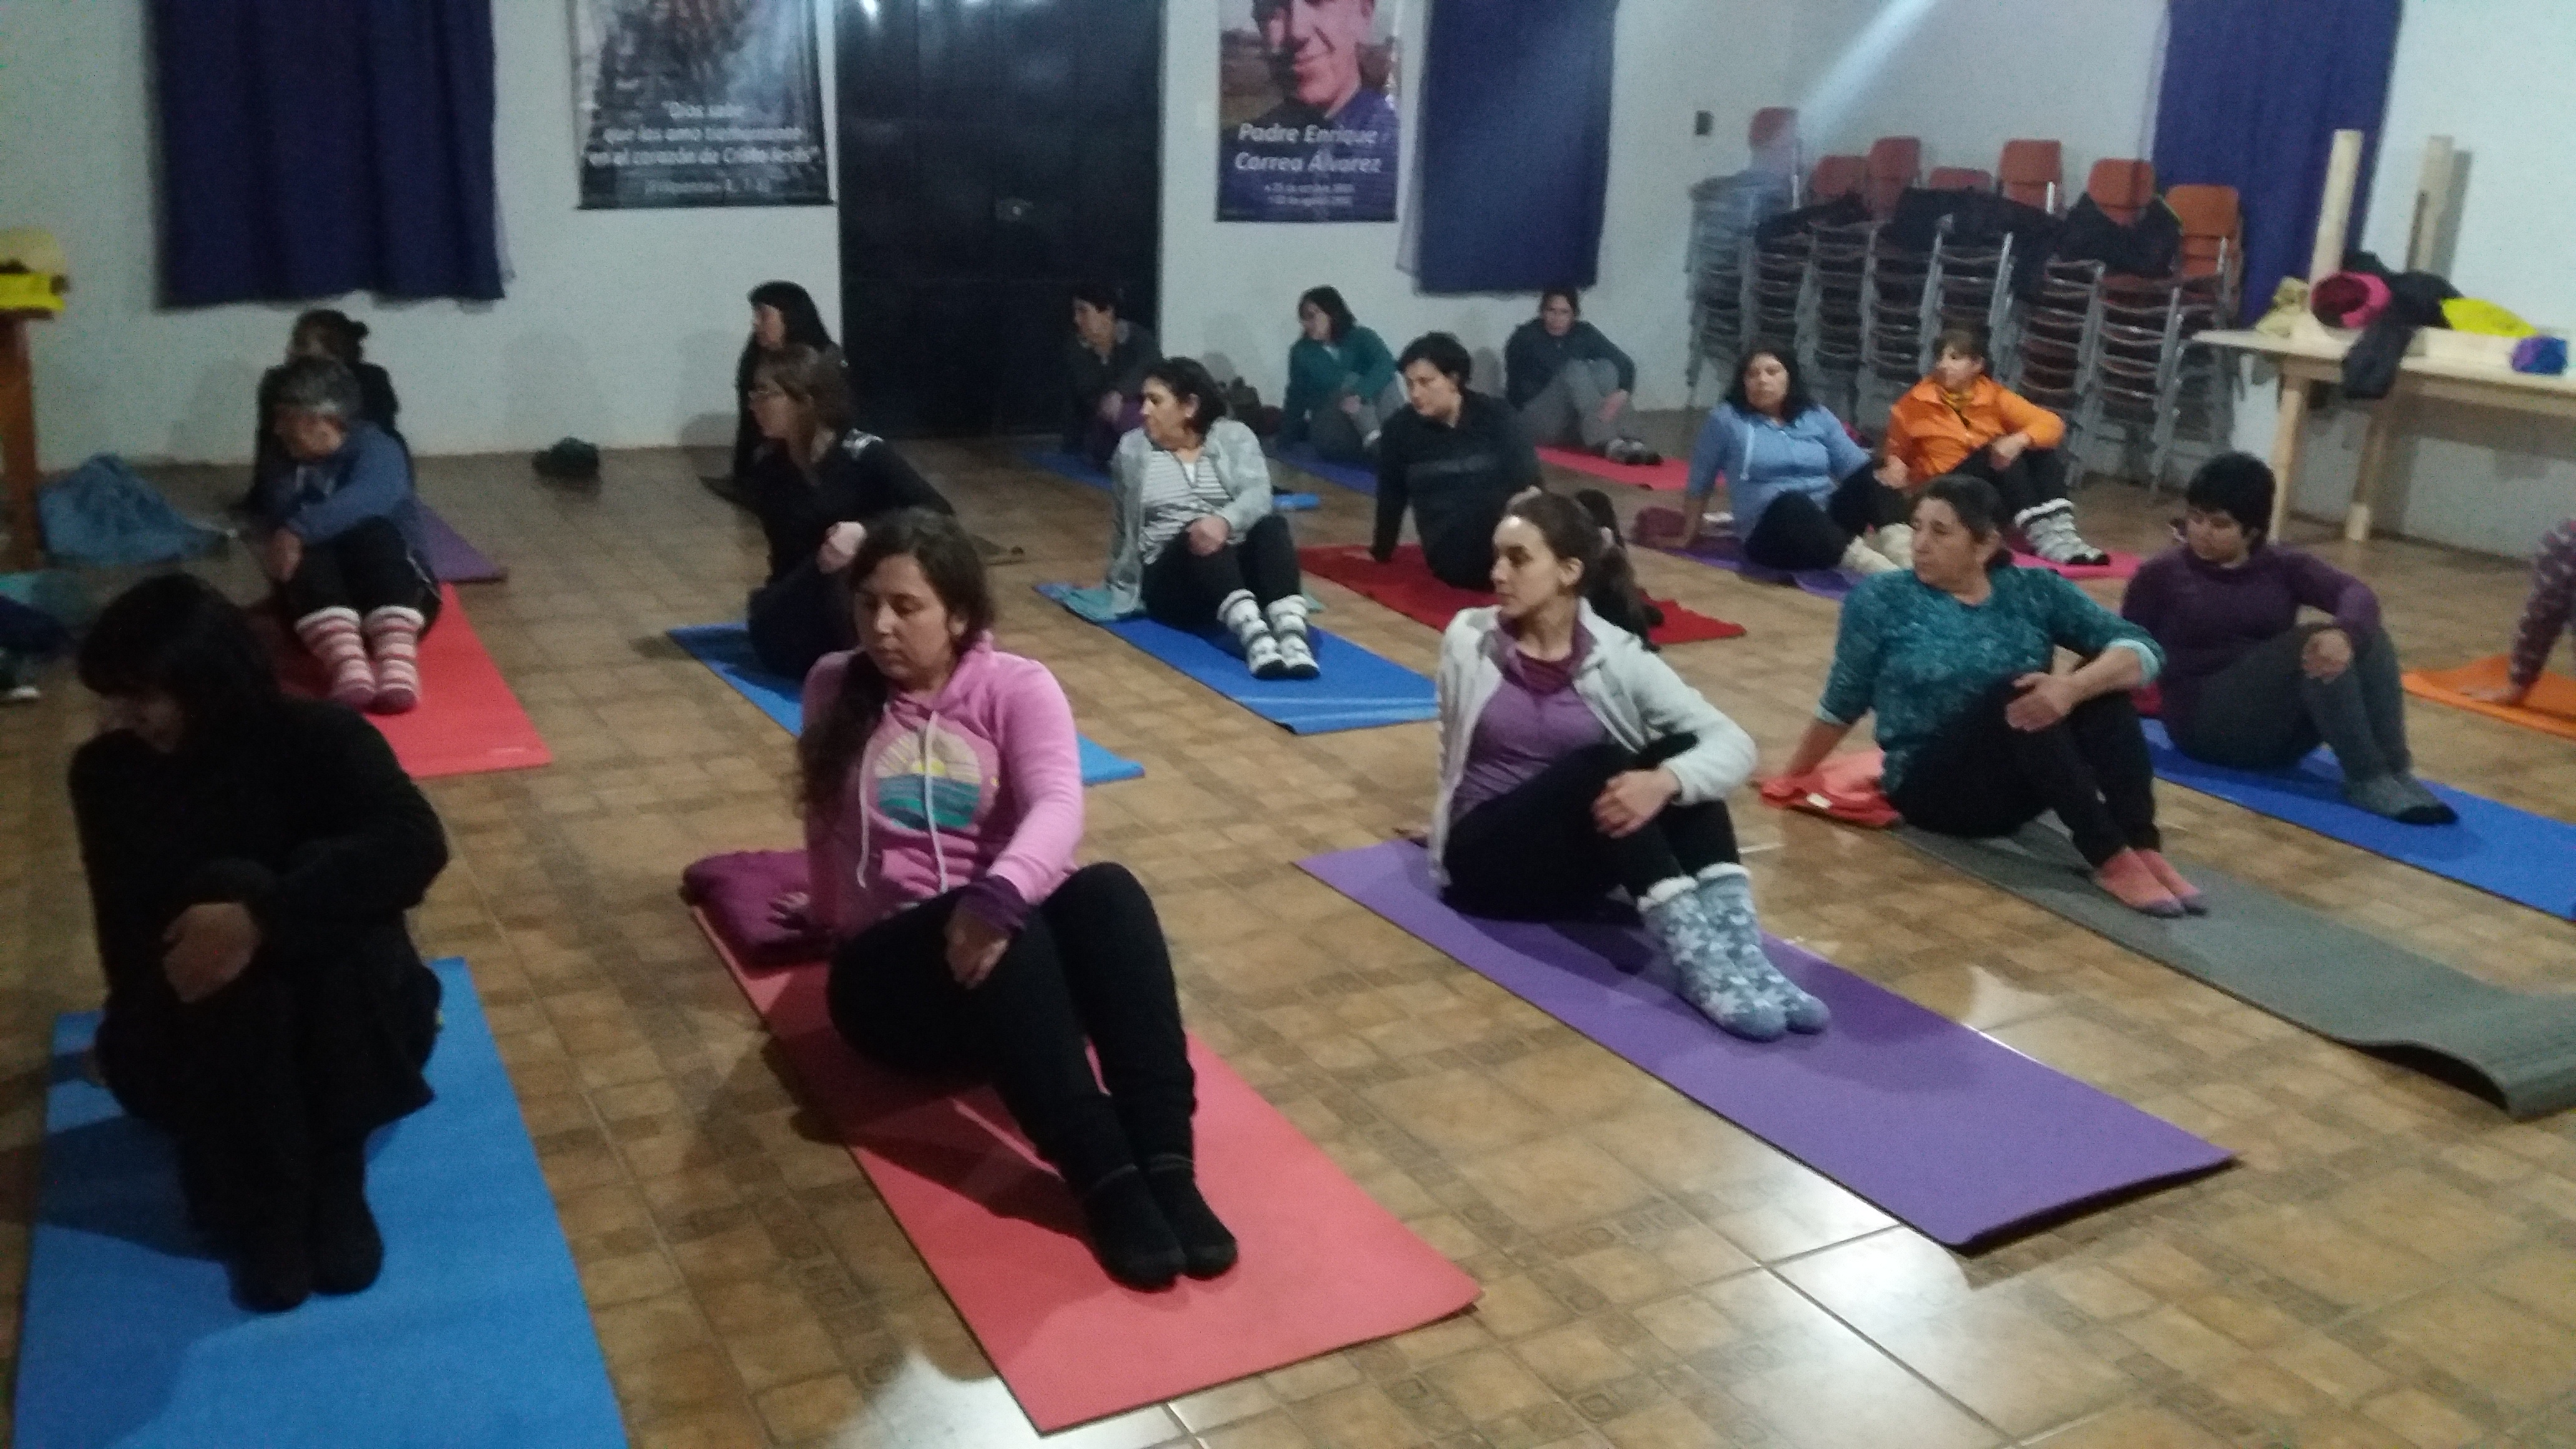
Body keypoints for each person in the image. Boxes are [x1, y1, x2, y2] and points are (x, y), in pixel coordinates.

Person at [786, 510, 1233, 1290]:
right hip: (896, 988)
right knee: (1006, 932)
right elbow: (822, 816)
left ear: (959, 614)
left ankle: (1168, 1164)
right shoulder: (835, 684)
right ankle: (1107, 1180)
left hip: (1010, 979)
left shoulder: (1016, 688)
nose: (881, 626)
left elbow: (1059, 804)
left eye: (906, 607)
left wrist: (994, 896)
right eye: (868, 604)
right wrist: (824, 912)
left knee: (1108, 892)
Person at [69, 574, 447, 1313]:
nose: (124, 717)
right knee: (226, 890)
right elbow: (124, 924)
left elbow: (414, 846)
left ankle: (330, 1172)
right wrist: (136, 1026)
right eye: (115, 696)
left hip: (351, 1024)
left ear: (205, 679)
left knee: (279, 889)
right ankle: (268, 1197)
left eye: (143, 695)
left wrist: (263, 918)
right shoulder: (109, 773)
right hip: (211, 1029)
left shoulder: (320, 737)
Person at [1435, 492, 1824, 1042]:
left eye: (1518, 559)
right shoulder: (1468, 638)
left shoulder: (1617, 656)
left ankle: (1742, 953)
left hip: (1570, 870)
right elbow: (1450, 740)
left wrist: (1666, 781)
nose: (1498, 573)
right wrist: (1439, 817)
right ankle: (1697, 965)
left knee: (1680, 753)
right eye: (1497, 557)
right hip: (1487, 863)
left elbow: (1733, 743)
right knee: (1601, 764)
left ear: (1569, 571)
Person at [1778, 476, 2198, 915]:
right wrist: (1793, 776)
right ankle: (2110, 858)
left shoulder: (2034, 590)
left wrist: (2073, 688)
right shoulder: (1880, 599)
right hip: (1931, 789)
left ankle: (2142, 844)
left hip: (2023, 784)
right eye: (1916, 527)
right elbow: (1844, 699)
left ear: (1985, 544)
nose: (1920, 544)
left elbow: (2143, 649)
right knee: (2013, 693)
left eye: (1940, 532)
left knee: (2102, 686)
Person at [2122, 454, 2456, 824]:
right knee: (2314, 643)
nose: (2202, 532)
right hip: (2204, 726)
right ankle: (2367, 777)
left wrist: (2346, 633)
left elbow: (2356, 594)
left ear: (2252, 530)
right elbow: (2121, 645)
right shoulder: (2162, 574)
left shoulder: (2283, 565)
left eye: (2220, 524)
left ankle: (2395, 770)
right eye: (2196, 518)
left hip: (2273, 731)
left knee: (2367, 635)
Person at [1375, 332, 1663, 642]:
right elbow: (1391, 496)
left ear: (1454, 379)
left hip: (1512, 528)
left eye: (1425, 382)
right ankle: (1615, 608)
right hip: (1458, 552)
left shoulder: (1497, 416)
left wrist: (1550, 526)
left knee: (1594, 503)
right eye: (1410, 384)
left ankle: (1623, 599)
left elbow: (1529, 485)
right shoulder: (1399, 431)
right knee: (1566, 541)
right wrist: (1381, 552)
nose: (1416, 393)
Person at [744, 345, 954, 681]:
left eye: (765, 393)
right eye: (752, 393)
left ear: (804, 400)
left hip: (863, 592)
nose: (754, 404)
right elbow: (784, 559)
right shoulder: (769, 468)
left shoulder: (863, 454)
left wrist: (866, 532)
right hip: (804, 599)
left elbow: (940, 513)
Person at [248, 357, 440, 715]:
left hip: (401, 599)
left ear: (325, 420)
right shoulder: (283, 462)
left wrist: (298, 531)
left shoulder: (378, 448)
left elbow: (372, 496)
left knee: (370, 530)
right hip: (319, 622)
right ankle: (347, 666)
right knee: (310, 550)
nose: (277, 429)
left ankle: (397, 665)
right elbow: (278, 523)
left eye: (287, 417)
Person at [1105, 357, 1317, 680]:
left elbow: (1259, 494)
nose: (1144, 410)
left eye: (1155, 401)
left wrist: (1224, 522)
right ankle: (1256, 638)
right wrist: (1118, 576)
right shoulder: (1132, 449)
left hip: (1233, 568)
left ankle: (1292, 636)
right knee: (1200, 535)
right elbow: (1123, 521)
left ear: (1190, 406)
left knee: (1272, 525)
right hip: (1172, 580)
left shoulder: (1234, 437)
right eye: (1143, 400)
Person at [1881, 327, 2109, 566]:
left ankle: (2063, 534)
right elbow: (1895, 452)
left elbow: (2052, 424)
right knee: (1998, 454)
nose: (1943, 365)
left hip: (1986, 492)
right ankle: (2042, 537)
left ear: (1977, 365)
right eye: (1940, 358)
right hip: (1943, 491)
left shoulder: (1994, 395)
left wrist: (2020, 440)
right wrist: (1894, 464)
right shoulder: (1913, 403)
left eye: (1955, 358)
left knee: (2039, 450)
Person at [1676, 342, 1910, 572]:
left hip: (1827, 526)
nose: (1762, 380)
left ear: (1789, 377)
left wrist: (1889, 467)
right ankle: (1886, 573)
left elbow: (1857, 468)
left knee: (1877, 479)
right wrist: (1688, 535)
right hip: (1773, 534)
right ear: (1742, 383)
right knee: (1792, 503)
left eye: (1772, 372)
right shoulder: (1726, 420)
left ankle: (1909, 561)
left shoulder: (1816, 415)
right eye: (1752, 375)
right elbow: (1700, 480)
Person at [1217, 0, 1400, 222]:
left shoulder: (1404, 154)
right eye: (1274, 7)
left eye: (1317, 2)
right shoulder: (1227, 165)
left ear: (1364, 13)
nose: (1297, 32)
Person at [240, 310, 403, 514]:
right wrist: (260, 496)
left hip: (352, 471)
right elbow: (268, 440)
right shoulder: (278, 381)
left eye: (301, 344)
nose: (290, 350)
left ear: (333, 351)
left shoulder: (372, 380)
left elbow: (381, 437)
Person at [1505, 288, 1657, 465]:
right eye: (1551, 311)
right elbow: (1518, 391)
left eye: (1564, 312)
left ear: (1574, 315)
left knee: (1606, 369)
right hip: (1536, 419)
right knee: (1575, 369)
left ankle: (1633, 440)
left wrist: (1622, 392)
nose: (1557, 319)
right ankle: (1608, 442)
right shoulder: (1525, 338)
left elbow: (1625, 364)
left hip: (1574, 422)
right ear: (1542, 312)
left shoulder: (1583, 333)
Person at [721, 281, 836, 504]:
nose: (755, 323)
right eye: (755, 315)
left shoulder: (825, 360)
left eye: (763, 315)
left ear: (790, 317)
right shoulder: (756, 357)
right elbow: (748, 424)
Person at [1279, 285, 1402, 463]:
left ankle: (1394, 440)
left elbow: (1387, 364)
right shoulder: (1301, 352)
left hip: (1367, 425)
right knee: (1350, 380)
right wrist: (1285, 440)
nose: (1306, 324)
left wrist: (1360, 394)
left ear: (1332, 313)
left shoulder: (1362, 336)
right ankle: (1378, 443)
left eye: (1312, 316)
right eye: (1303, 319)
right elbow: (1296, 397)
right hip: (1332, 431)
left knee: (1387, 380)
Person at [2464, 518, 2575, 709]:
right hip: (2565, 550)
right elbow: (2540, 620)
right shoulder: (2565, 543)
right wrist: (2518, 685)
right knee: (2542, 614)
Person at [1066, 284, 1161, 469]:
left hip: (1141, 413)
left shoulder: (1138, 339)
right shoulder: (1076, 348)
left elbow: (1153, 367)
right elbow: (1084, 393)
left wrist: (1120, 392)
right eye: (1076, 313)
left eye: (1083, 311)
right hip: (1101, 424)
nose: (1077, 320)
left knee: (1136, 409)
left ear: (1107, 312)